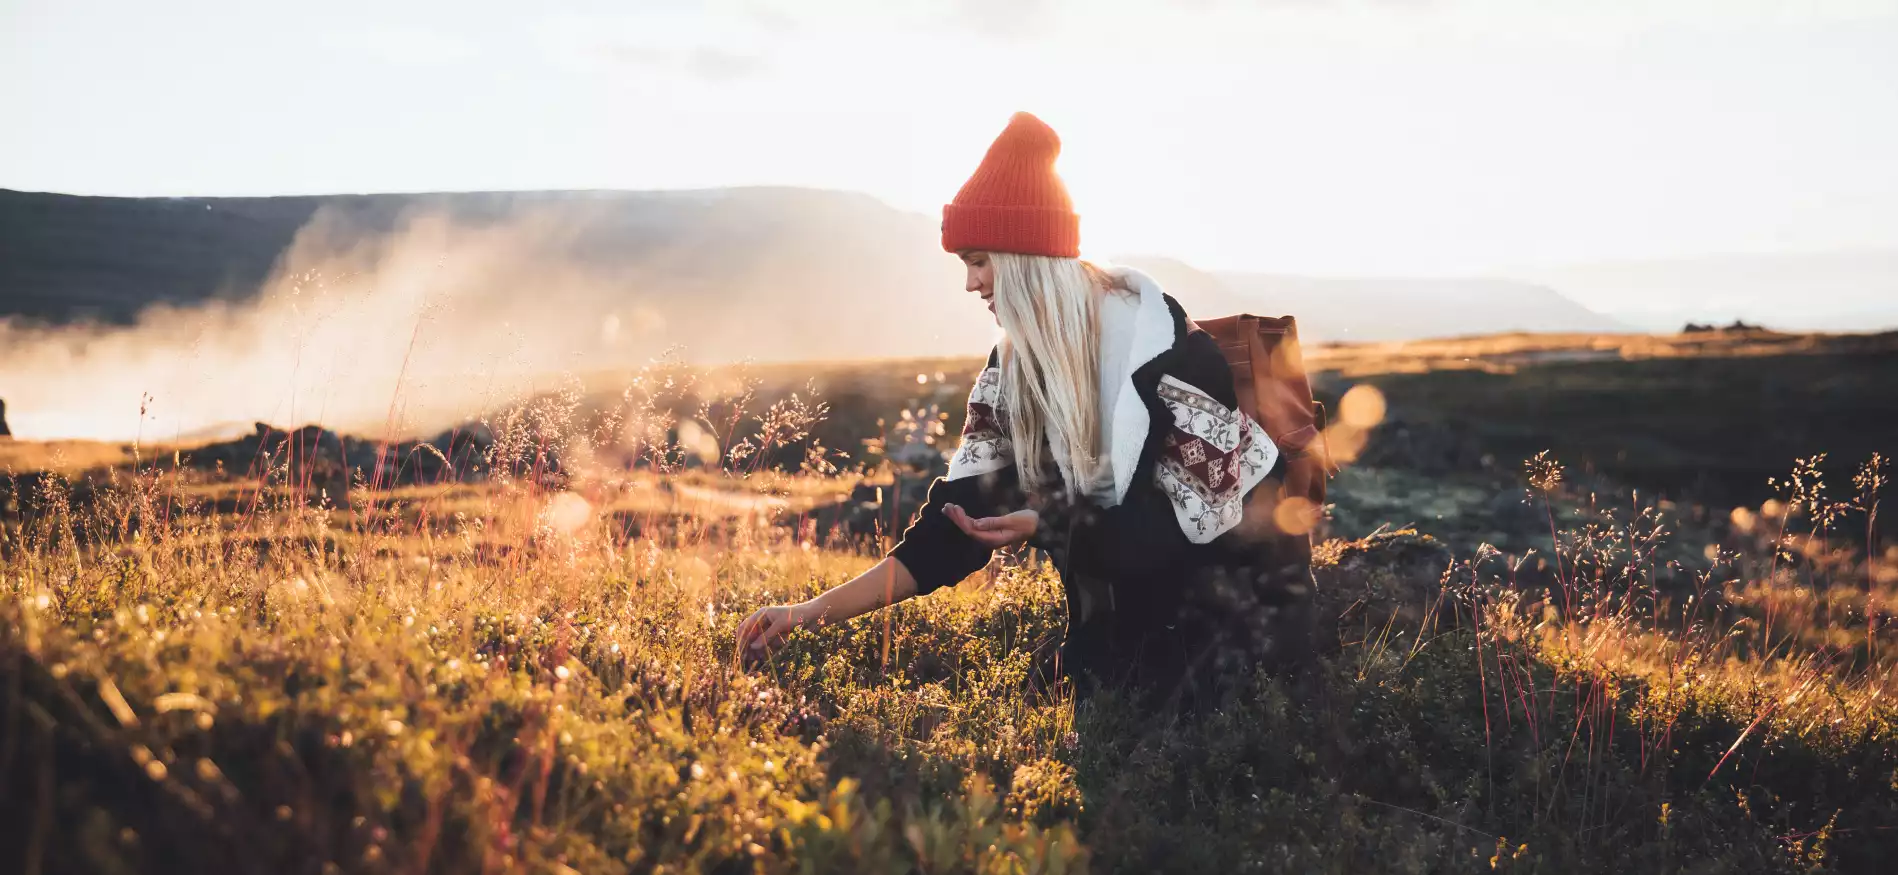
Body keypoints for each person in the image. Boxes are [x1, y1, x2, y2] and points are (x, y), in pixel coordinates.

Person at [737, 112, 1313, 710]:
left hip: (1240, 635)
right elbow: (952, 526)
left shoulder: (1168, 356)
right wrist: (808, 613)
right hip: (1131, 628)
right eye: (965, 263)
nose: (970, 283)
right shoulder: (1013, 369)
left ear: (1029, 256)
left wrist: (1053, 527)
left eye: (981, 260)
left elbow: (1183, 535)